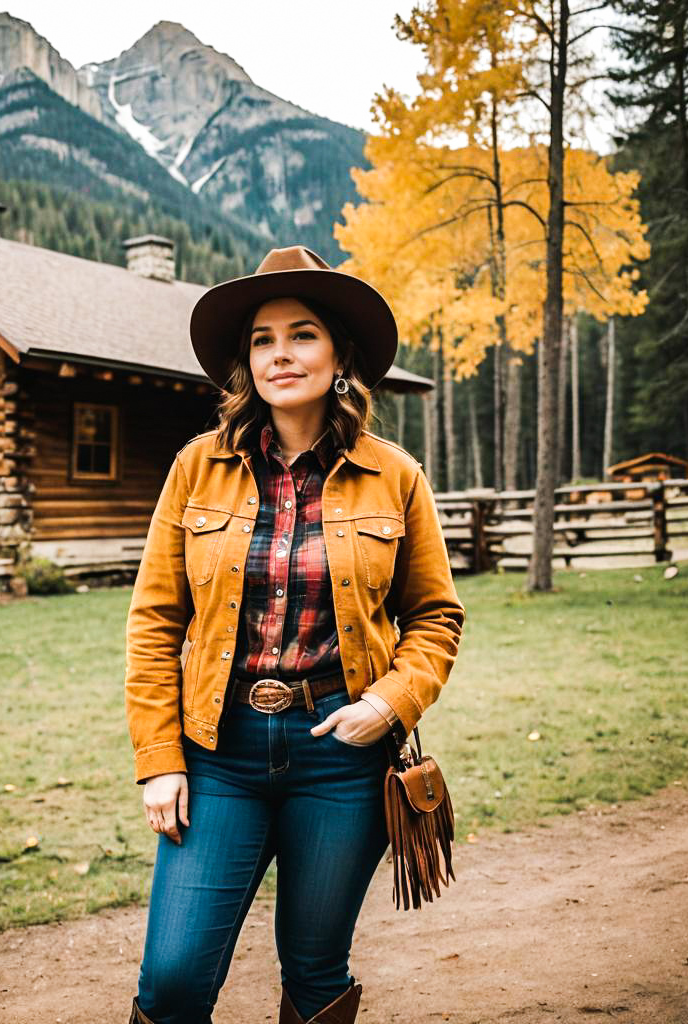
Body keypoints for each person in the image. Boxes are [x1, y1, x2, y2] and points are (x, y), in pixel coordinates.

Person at [124, 245, 466, 1024]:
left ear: (340, 355)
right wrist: (158, 761)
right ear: (246, 362)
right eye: (262, 338)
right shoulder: (194, 469)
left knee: (316, 971)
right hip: (218, 750)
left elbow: (436, 617)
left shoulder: (395, 476)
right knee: (173, 978)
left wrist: (390, 705)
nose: (282, 354)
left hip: (341, 758)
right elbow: (152, 623)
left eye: (303, 334)